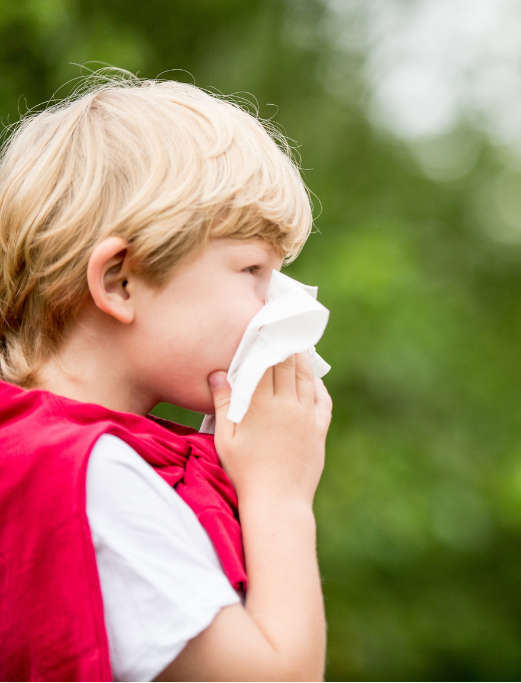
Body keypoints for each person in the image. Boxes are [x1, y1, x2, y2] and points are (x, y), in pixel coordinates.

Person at [0, 75, 332, 681]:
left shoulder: (38, 451)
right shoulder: (91, 478)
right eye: (253, 268)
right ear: (121, 281)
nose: (278, 306)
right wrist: (279, 495)